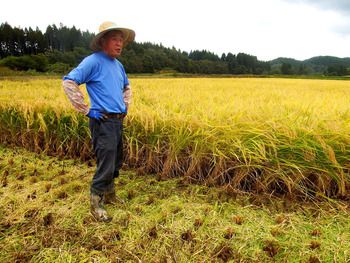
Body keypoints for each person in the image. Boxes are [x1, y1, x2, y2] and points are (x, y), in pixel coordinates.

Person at [62, 21, 135, 222]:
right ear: (103, 41)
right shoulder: (93, 61)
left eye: (121, 40)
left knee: (116, 160)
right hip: (102, 120)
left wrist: (125, 106)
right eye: (115, 39)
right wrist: (86, 110)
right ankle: (96, 203)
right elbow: (69, 81)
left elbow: (126, 87)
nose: (119, 43)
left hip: (117, 121)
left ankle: (110, 194)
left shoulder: (118, 65)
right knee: (106, 163)